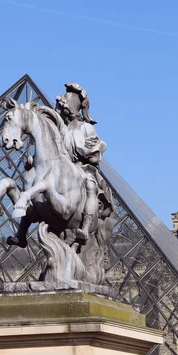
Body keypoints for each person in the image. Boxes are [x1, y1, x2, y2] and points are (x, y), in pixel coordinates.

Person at [55, 83, 113, 243]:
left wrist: (87, 151)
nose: (56, 110)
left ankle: (86, 226)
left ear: (69, 109)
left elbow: (96, 153)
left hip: (84, 169)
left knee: (91, 187)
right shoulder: (59, 131)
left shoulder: (86, 128)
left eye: (59, 107)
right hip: (61, 170)